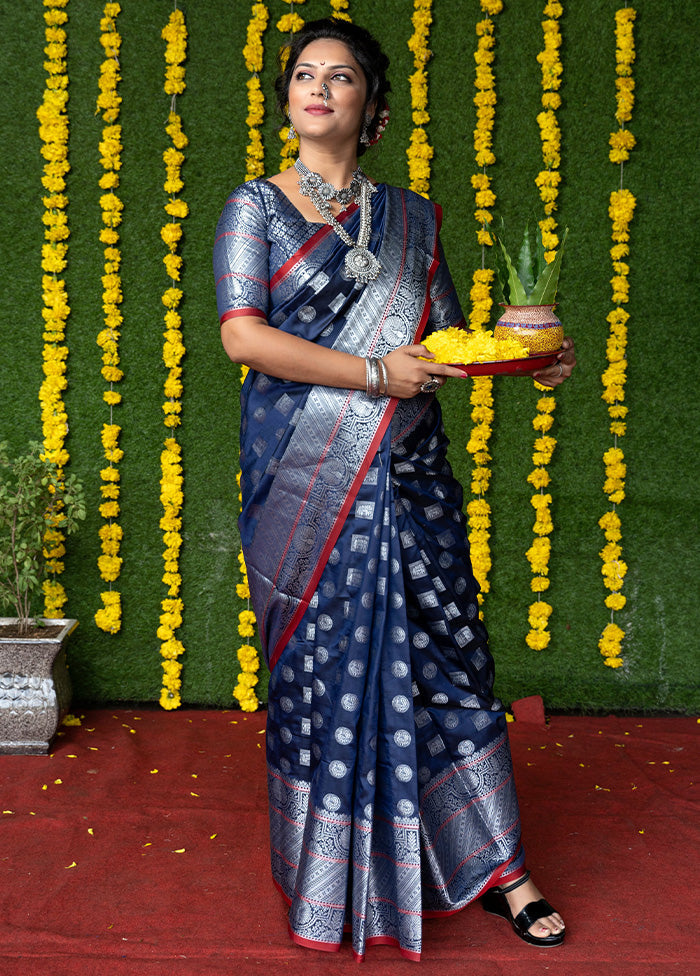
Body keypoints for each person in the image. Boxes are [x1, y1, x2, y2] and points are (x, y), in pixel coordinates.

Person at [213, 17, 575, 962]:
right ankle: (331, 879)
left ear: (371, 109)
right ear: (287, 98)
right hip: (305, 478)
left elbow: (446, 338)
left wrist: (529, 353)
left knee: (453, 659)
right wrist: (372, 376)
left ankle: (500, 868)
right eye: (304, 75)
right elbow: (242, 338)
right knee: (323, 671)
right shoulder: (255, 209)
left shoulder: (411, 218)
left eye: (341, 77)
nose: (319, 88)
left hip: (412, 474)